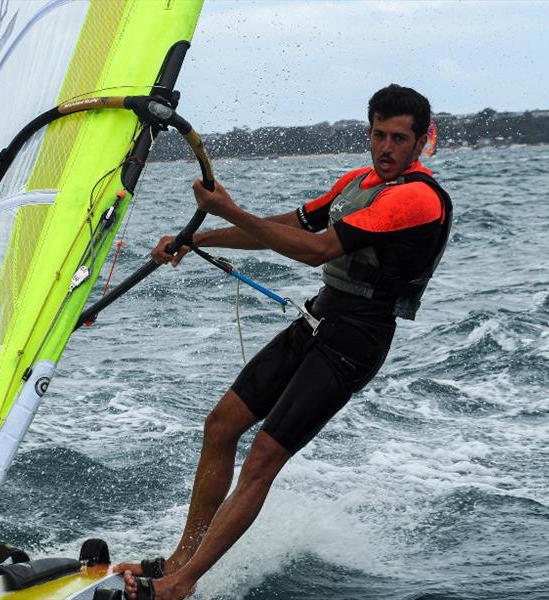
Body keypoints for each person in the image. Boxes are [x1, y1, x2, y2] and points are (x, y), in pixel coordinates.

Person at [114, 84, 453, 600]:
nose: (387, 148)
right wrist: (195, 238)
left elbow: (316, 250)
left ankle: (180, 585)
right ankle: (179, 560)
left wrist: (226, 210)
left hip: (356, 339)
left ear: (421, 140)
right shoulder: (357, 182)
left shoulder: (415, 198)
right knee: (222, 424)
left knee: (262, 460)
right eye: (379, 135)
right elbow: (286, 228)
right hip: (319, 319)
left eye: (400, 138)